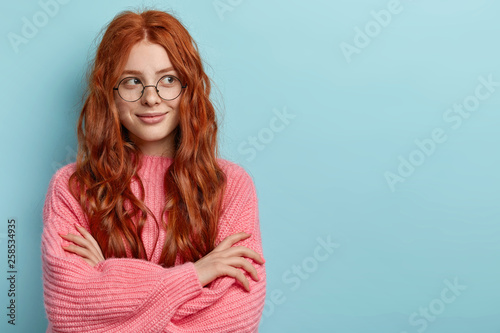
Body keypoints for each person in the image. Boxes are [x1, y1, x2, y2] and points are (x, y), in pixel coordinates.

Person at [40, 9, 266, 333]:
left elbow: (234, 319)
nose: (151, 97)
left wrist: (107, 278)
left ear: (188, 88)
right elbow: (69, 310)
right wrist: (197, 275)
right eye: (132, 81)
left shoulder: (231, 186)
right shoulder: (71, 187)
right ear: (110, 93)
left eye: (168, 79)